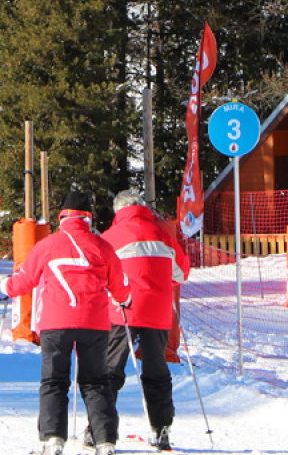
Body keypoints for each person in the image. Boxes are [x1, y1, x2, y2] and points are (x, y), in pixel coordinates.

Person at [0, 189, 131, 455]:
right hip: (94, 323)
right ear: (88, 219)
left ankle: (53, 440)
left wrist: (5, 287)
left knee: (54, 381)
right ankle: (105, 442)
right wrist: (124, 300)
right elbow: (121, 287)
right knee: (96, 382)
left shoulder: (48, 244)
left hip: (55, 323)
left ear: (62, 217)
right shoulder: (102, 246)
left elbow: (24, 280)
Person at [100, 190, 191, 452]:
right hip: (158, 311)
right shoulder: (163, 236)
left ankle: (100, 429)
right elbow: (181, 273)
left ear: (119, 211)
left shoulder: (111, 237)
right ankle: (161, 428)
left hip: (122, 310)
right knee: (156, 370)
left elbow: (99, 272)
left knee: (109, 370)